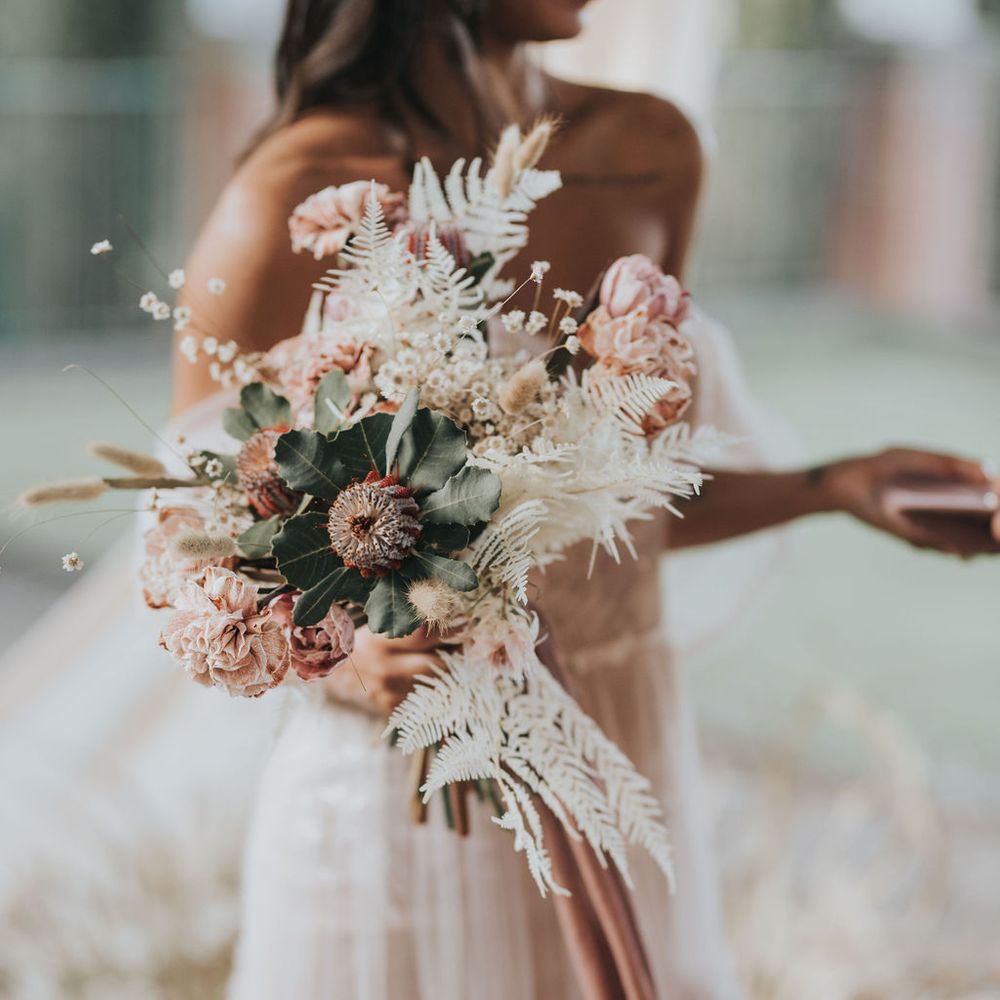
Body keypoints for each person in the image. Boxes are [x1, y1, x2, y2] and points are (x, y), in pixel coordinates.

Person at [170, 2, 1000, 997]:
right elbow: (188, 534)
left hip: (614, 742)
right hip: (405, 784)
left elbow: (617, 504)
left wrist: (833, 486)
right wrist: (357, 660)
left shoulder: (652, 148)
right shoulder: (300, 186)